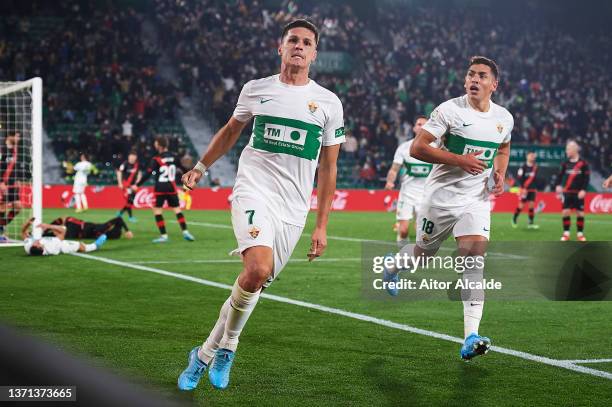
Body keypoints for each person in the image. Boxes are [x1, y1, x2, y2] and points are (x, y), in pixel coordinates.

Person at [177, 19, 344, 391]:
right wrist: (201, 166)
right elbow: (231, 131)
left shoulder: (329, 103)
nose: (299, 46)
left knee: (255, 283)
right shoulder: (257, 90)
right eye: (292, 41)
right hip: (254, 190)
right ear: (279, 47)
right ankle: (230, 347)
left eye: (306, 42)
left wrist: (321, 225)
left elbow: (329, 168)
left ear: (315, 53)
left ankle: (204, 354)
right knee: (257, 268)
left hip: (293, 207)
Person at [385, 56, 513, 361]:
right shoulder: (450, 110)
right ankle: (392, 267)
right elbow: (418, 147)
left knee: (474, 259)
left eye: (482, 76)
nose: (475, 79)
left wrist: (500, 173)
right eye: (471, 74)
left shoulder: (504, 118)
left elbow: (504, 145)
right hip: (440, 197)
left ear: (494, 84)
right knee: (421, 255)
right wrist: (461, 160)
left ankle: (470, 336)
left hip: (476, 199)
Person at [133, 136, 194, 243]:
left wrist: (137, 185)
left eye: (156, 143)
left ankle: (164, 236)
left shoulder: (156, 158)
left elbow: (148, 173)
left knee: (157, 211)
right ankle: (185, 231)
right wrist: (191, 176)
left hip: (160, 188)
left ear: (159, 145)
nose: (154, 144)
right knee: (177, 209)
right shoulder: (174, 157)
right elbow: (183, 168)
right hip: (171, 187)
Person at [384, 116, 431, 245]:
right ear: (414, 128)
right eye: (419, 124)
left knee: (421, 231)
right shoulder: (404, 148)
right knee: (403, 230)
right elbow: (394, 169)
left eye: (424, 125)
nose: (421, 127)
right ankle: (403, 256)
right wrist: (390, 181)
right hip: (407, 193)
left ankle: (417, 257)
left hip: (427, 194)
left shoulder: (436, 147)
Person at [555, 140, 590, 241]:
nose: (567, 151)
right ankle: (566, 233)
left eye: (568, 149)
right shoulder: (565, 163)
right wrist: (558, 185)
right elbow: (560, 176)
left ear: (575, 149)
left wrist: (583, 190)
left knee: (580, 213)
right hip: (567, 192)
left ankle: (580, 234)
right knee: (565, 212)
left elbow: (586, 178)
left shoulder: (583, 163)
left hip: (578, 193)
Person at [21, 217, 107, 256]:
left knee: (57, 230)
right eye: (37, 244)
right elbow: (63, 232)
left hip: (52, 241)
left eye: (35, 243)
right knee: (81, 246)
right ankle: (96, 245)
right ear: (41, 248)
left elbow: (23, 232)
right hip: (62, 247)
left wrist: (28, 223)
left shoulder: (28, 246)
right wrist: (49, 226)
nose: (36, 242)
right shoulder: (51, 247)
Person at [0, 132, 25, 239]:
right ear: (9, 136)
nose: (18, 138)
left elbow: (15, 167)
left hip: (12, 184)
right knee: (2, 207)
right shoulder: (2, 149)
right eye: (17, 136)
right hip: (2, 183)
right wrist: (1, 182)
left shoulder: (15, 150)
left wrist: (18, 179)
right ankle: (1, 230)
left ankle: (2, 225)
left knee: (18, 207)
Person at [511, 151, 539, 229]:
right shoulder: (523, 167)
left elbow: (534, 179)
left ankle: (530, 223)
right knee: (521, 205)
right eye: (531, 155)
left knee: (531, 206)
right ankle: (514, 219)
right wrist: (522, 188)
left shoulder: (535, 167)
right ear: (527, 157)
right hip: (524, 189)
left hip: (532, 189)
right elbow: (519, 179)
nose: (532, 157)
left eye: (533, 156)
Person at [44, 216, 133, 240]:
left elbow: (119, 220)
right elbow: (119, 219)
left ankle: (44, 232)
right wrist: (127, 230)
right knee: (64, 221)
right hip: (82, 227)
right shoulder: (104, 228)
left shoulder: (106, 234)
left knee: (58, 233)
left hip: (79, 231)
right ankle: (45, 231)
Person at [116, 151, 142, 222]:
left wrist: (137, 183)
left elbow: (139, 174)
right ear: (129, 157)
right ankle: (130, 217)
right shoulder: (125, 164)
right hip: (126, 186)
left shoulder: (137, 165)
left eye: (134, 156)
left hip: (134, 187)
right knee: (129, 200)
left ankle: (120, 213)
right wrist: (120, 183)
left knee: (130, 201)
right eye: (131, 156)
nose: (132, 157)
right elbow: (119, 172)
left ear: (136, 157)